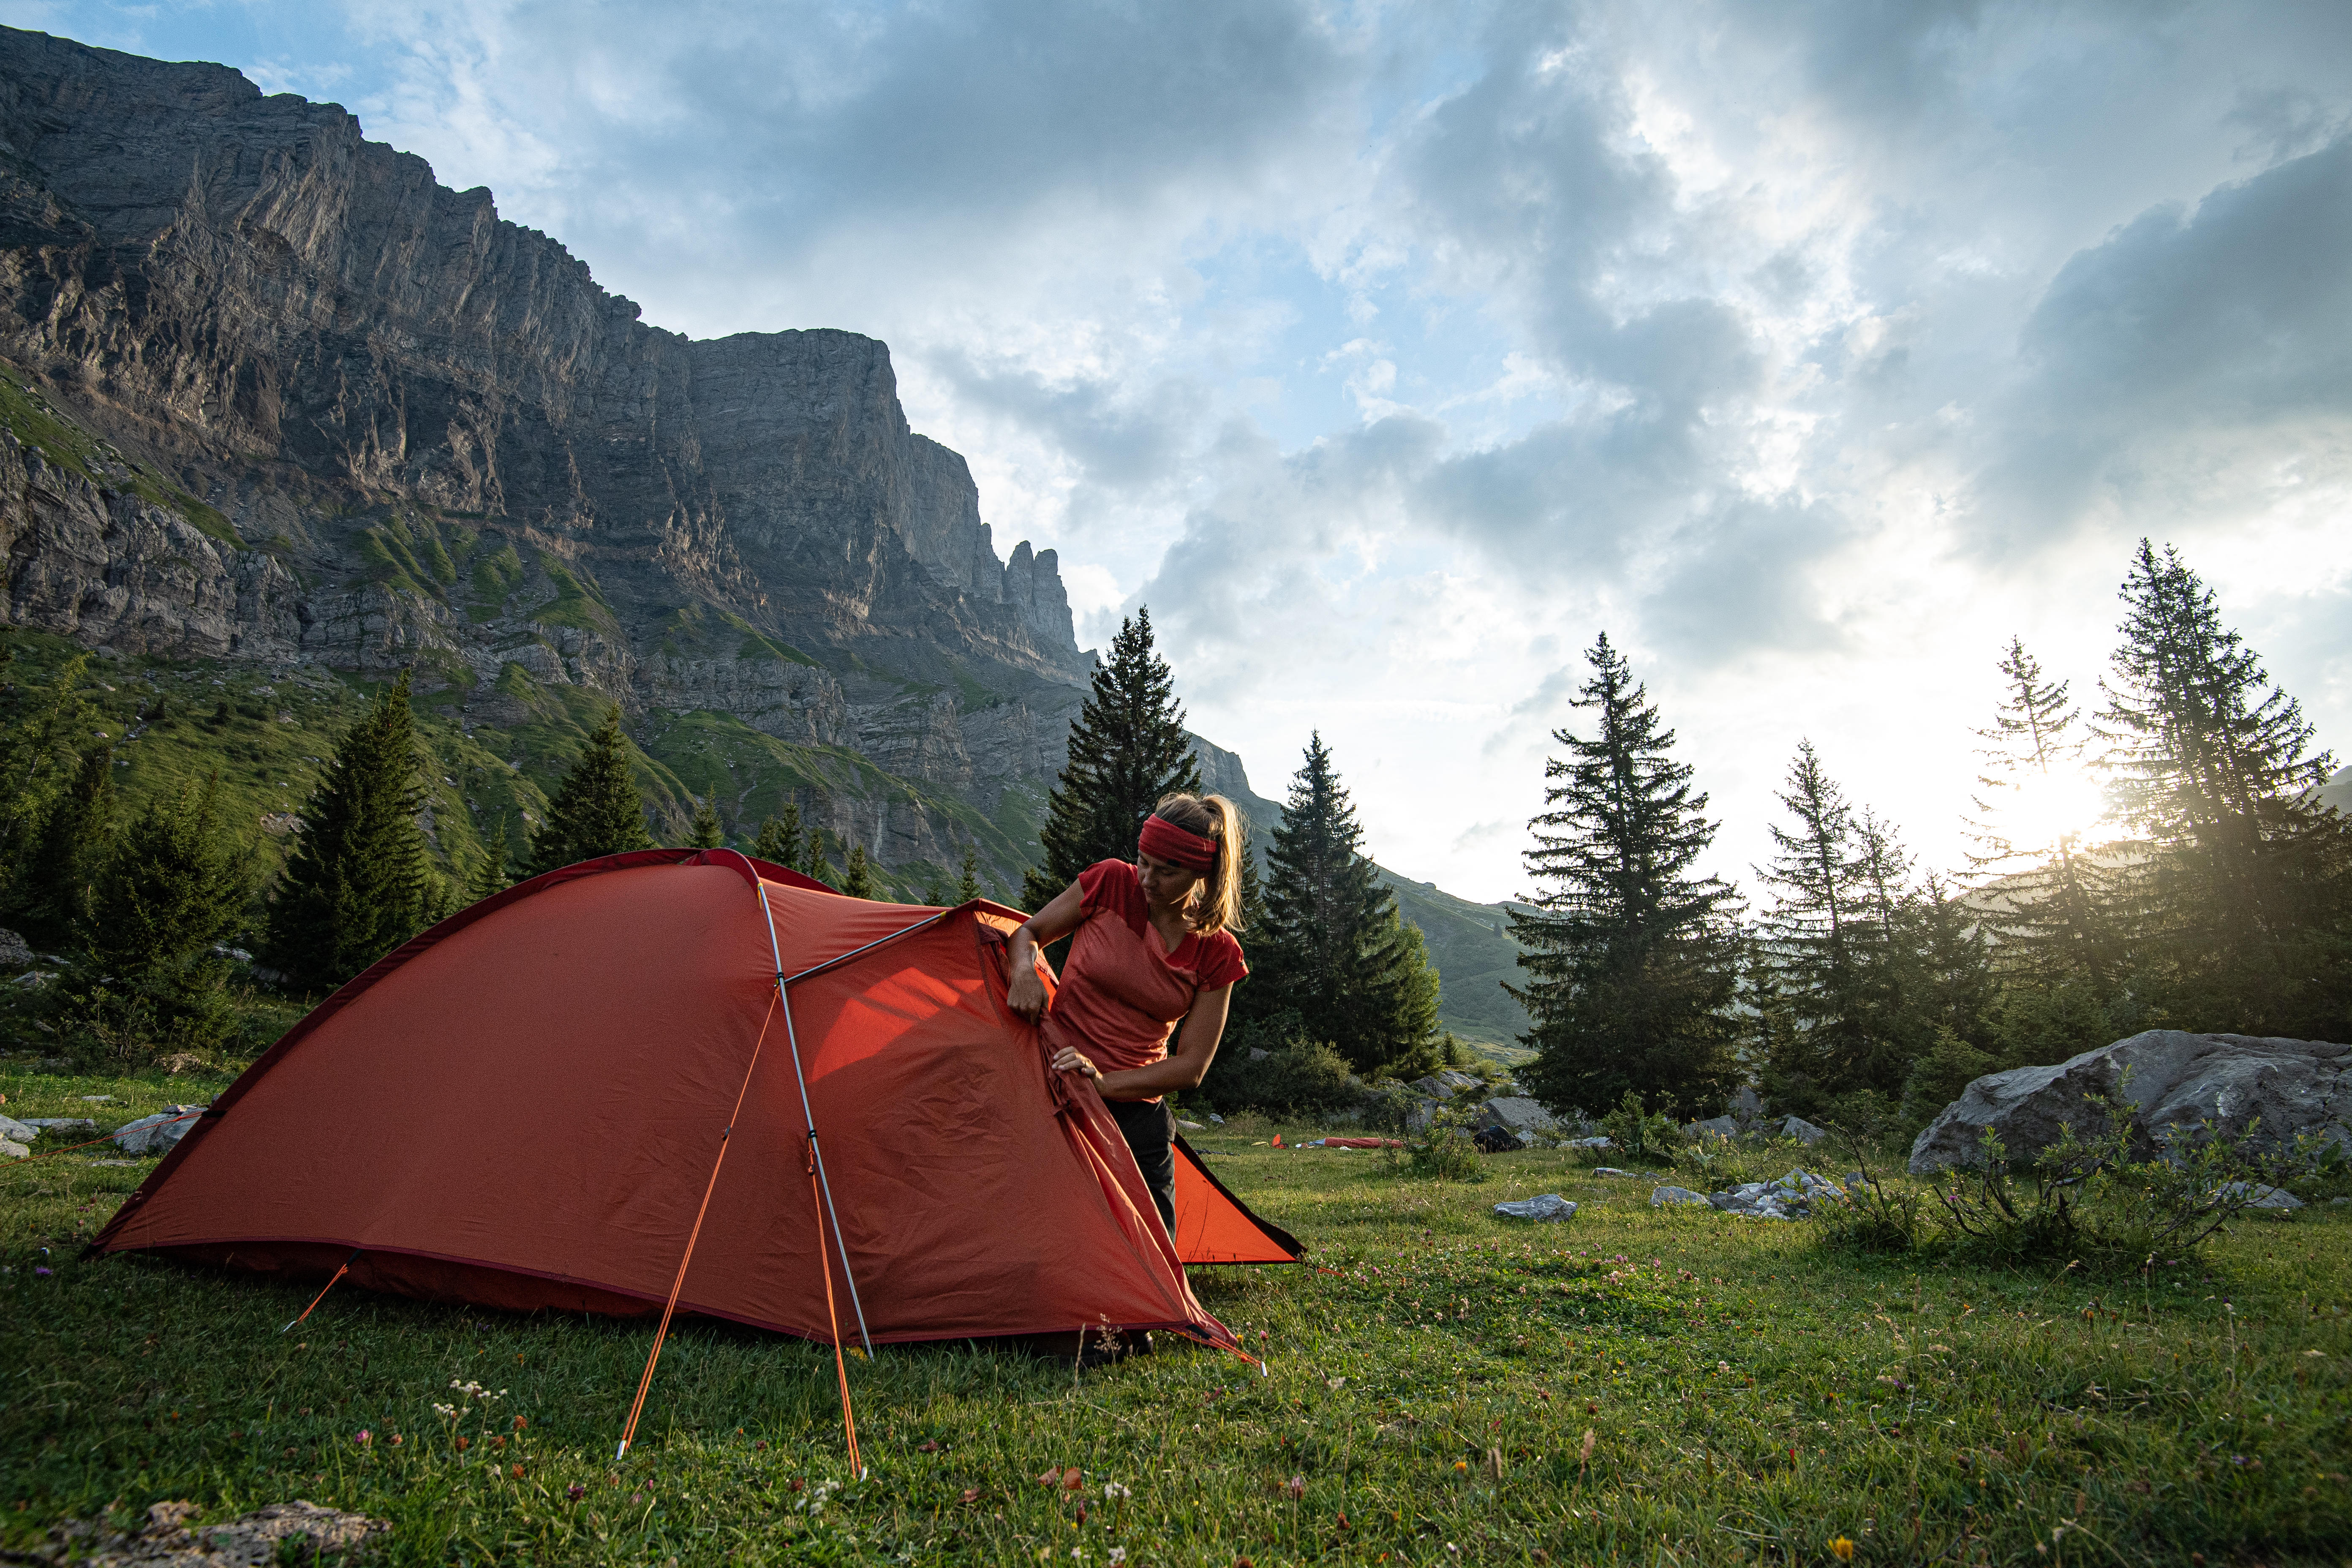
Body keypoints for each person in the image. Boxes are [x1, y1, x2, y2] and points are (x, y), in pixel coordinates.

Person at [1006, 792, 1249, 1233]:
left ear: (1201, 873)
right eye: (1144, 861)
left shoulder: (1218, 953)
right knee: (1037, 1230)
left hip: (1135, 1107)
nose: (1147, 879)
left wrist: (1103, 1085)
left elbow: (1191, 1067)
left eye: (1166, 870)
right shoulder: (1111, 881)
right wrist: (1023, 969)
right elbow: (1029, 932)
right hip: (1050, 1077)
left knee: (1152, 1255)